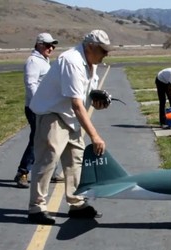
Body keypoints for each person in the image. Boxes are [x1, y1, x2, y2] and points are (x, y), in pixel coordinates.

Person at [27, 30, 113, 225]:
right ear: (90, 47)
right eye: (103, 50)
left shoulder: (91, 64)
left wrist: (98, 101)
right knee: (47, 160)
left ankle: (76, 203)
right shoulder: (72, 61)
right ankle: (36, 208)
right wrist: (95, 136)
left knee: (76, 159)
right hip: (53, 114)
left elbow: (85, 96)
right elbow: (76, 103)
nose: (106, 54)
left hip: (70, 117)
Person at [14, 33, 63, 189]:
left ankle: (50, 171)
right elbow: (31, 85)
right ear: (39, 44)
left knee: (50, 139)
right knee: (37, 141)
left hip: (45, 107)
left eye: (53, 45)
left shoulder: (44, 61)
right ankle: (22, 172)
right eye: (48, 45)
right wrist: (39, 105)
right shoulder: (34, 61)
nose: (51, 48)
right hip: (36, 108)